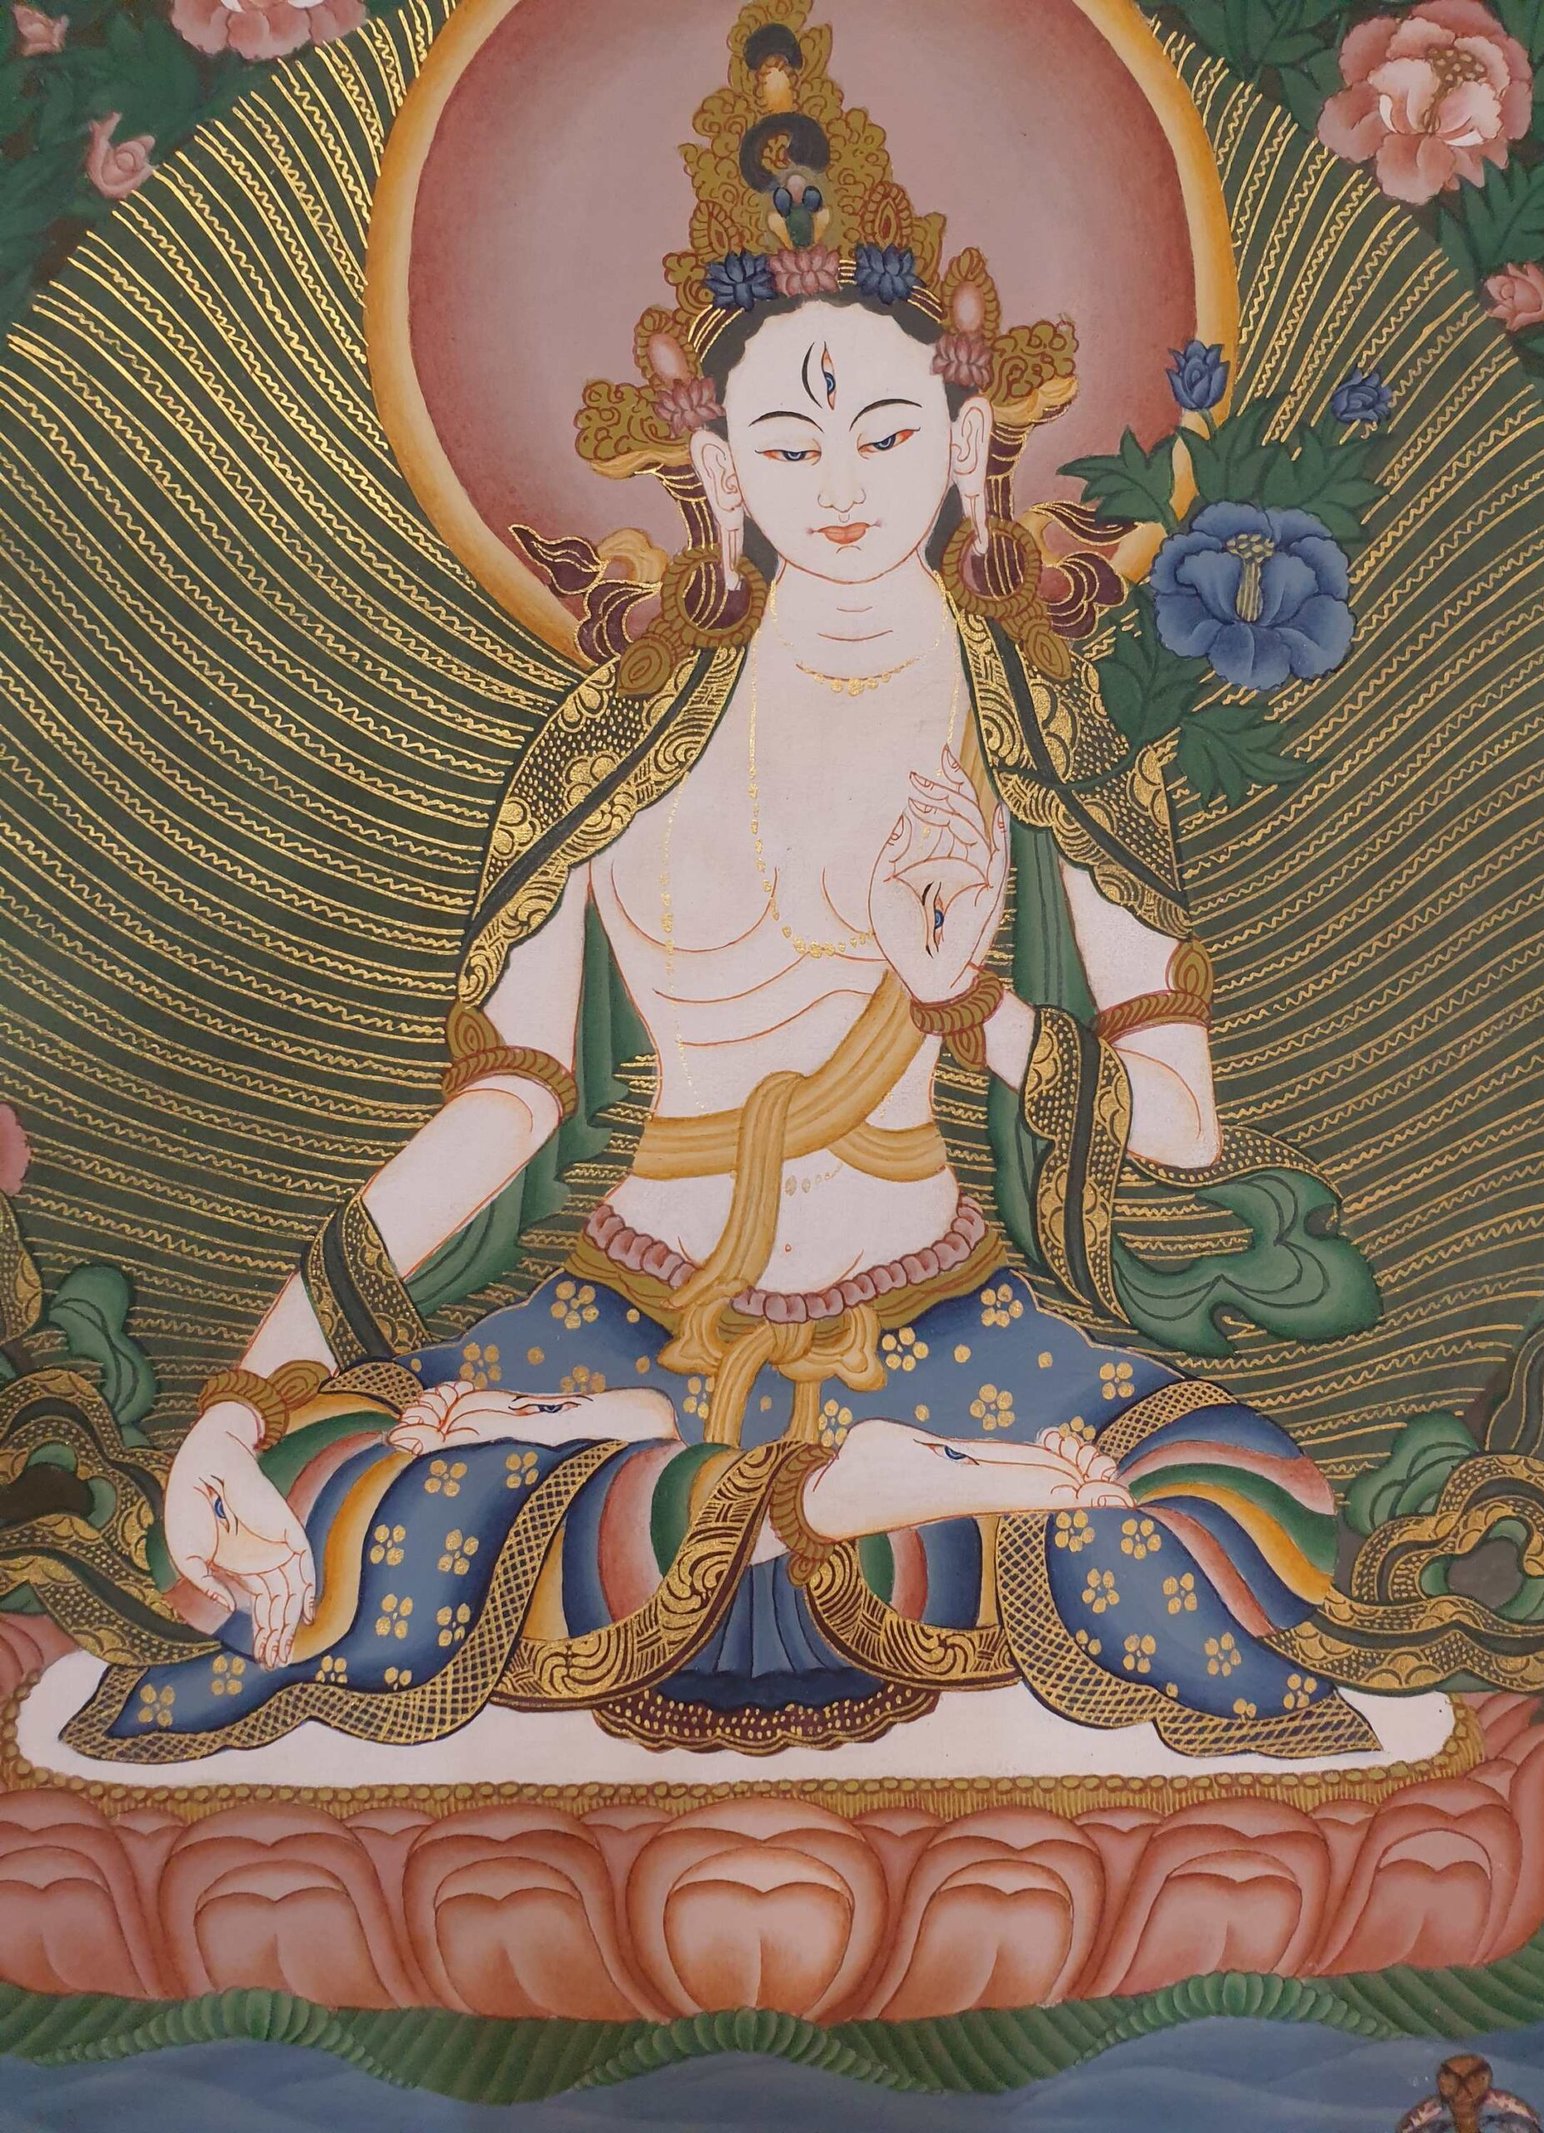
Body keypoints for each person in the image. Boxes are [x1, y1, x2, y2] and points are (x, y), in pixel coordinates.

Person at [65, 4, 1375, 1765]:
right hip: (628, 1307)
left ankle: (783, 1479)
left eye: (886, 434)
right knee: (341, 1496)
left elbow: (1188, 1128)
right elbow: (511, 1104)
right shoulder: (622, 734)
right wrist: (245, 1391)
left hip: (937, 1313)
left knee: (1236, 1512)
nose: (841, 487)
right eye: (792, 444)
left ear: (965, 439)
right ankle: (804, 1485)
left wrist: (967, 1004)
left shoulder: (1042, 725)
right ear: (717, 469)